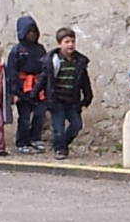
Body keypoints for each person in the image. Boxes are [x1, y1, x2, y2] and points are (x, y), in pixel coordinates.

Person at [33, 27, 94, 161]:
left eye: (72, 41)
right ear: (60, 43)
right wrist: (35, 94)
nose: (70, 44)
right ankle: (59, 149)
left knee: (76, 125)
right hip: (57, 100)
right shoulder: (53, 61)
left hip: (72, 100)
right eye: (67, 41)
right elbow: (44, 78)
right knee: (58, 128)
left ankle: (63, 144)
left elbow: (84, 81)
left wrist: (88, 96)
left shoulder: (79, 62)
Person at [5, 16, 48, 154]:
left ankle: (35, 138)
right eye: (29, 31)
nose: (32, 34)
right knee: (24, 118)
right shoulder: (17, 51)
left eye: (34, 31)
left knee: (40, 114)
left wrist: (44, 86)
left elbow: (45, 68)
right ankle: (21, 142)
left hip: (38, 87)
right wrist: (15, 92)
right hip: (23, 87)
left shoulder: (40, 49)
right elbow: (11, 72)